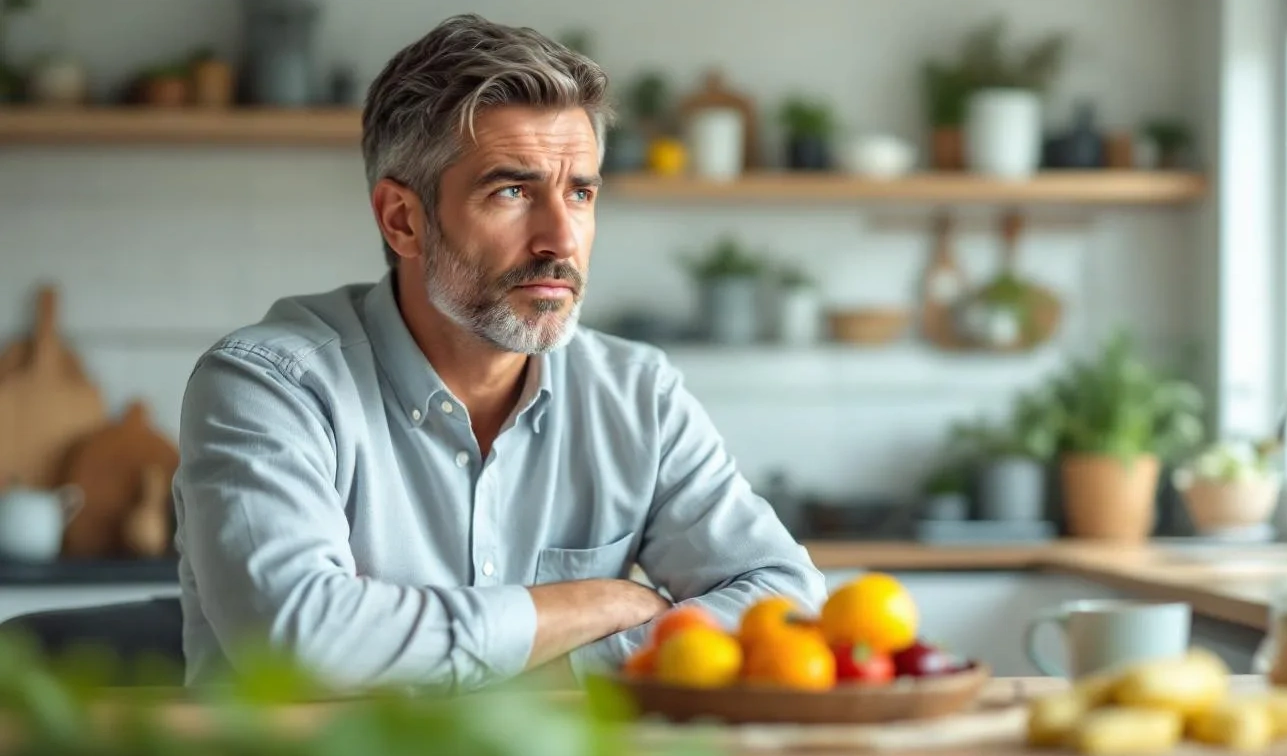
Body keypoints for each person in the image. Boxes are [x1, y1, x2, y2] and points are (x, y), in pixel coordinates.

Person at [172, 13, 826, 690]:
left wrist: (561, 665)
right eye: (512, 192)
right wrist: (596, 604)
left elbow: (786, 599)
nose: (561, 239)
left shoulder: (637, 395)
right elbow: (297, 642)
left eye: (580, 192)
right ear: (403, 220)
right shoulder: (269, 386)